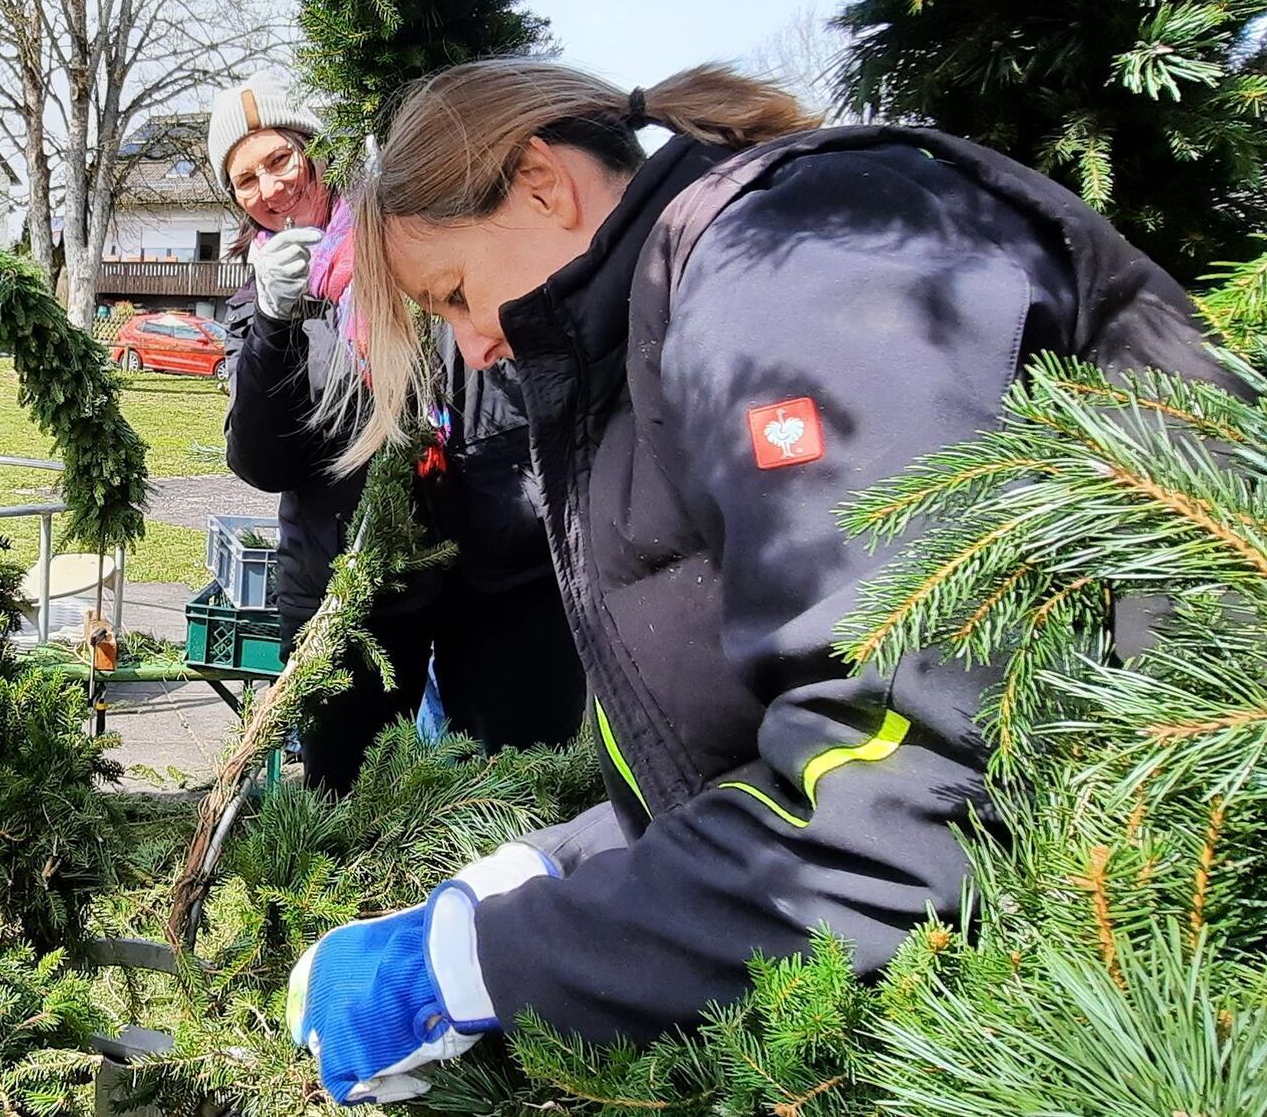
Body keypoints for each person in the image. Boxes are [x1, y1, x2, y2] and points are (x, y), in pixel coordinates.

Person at [281, 58, 1226, 1103]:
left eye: (455, 293)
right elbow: (760, 740)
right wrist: (555, 865)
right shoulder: (657, 328)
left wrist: (491, 962)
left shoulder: (782, 278)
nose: (473, 344)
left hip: (1158, 958)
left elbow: (904, 773)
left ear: (542, 183)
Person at [213, 77, 581, 790]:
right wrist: (274, 324)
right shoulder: (254, 308)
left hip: (495, 565)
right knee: (346, 800)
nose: (270, 188)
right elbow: (263, 461)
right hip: (349, 582)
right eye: (245, 180)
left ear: (319, 151)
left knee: (513, 782)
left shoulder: (418, 241)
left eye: (281, 159)